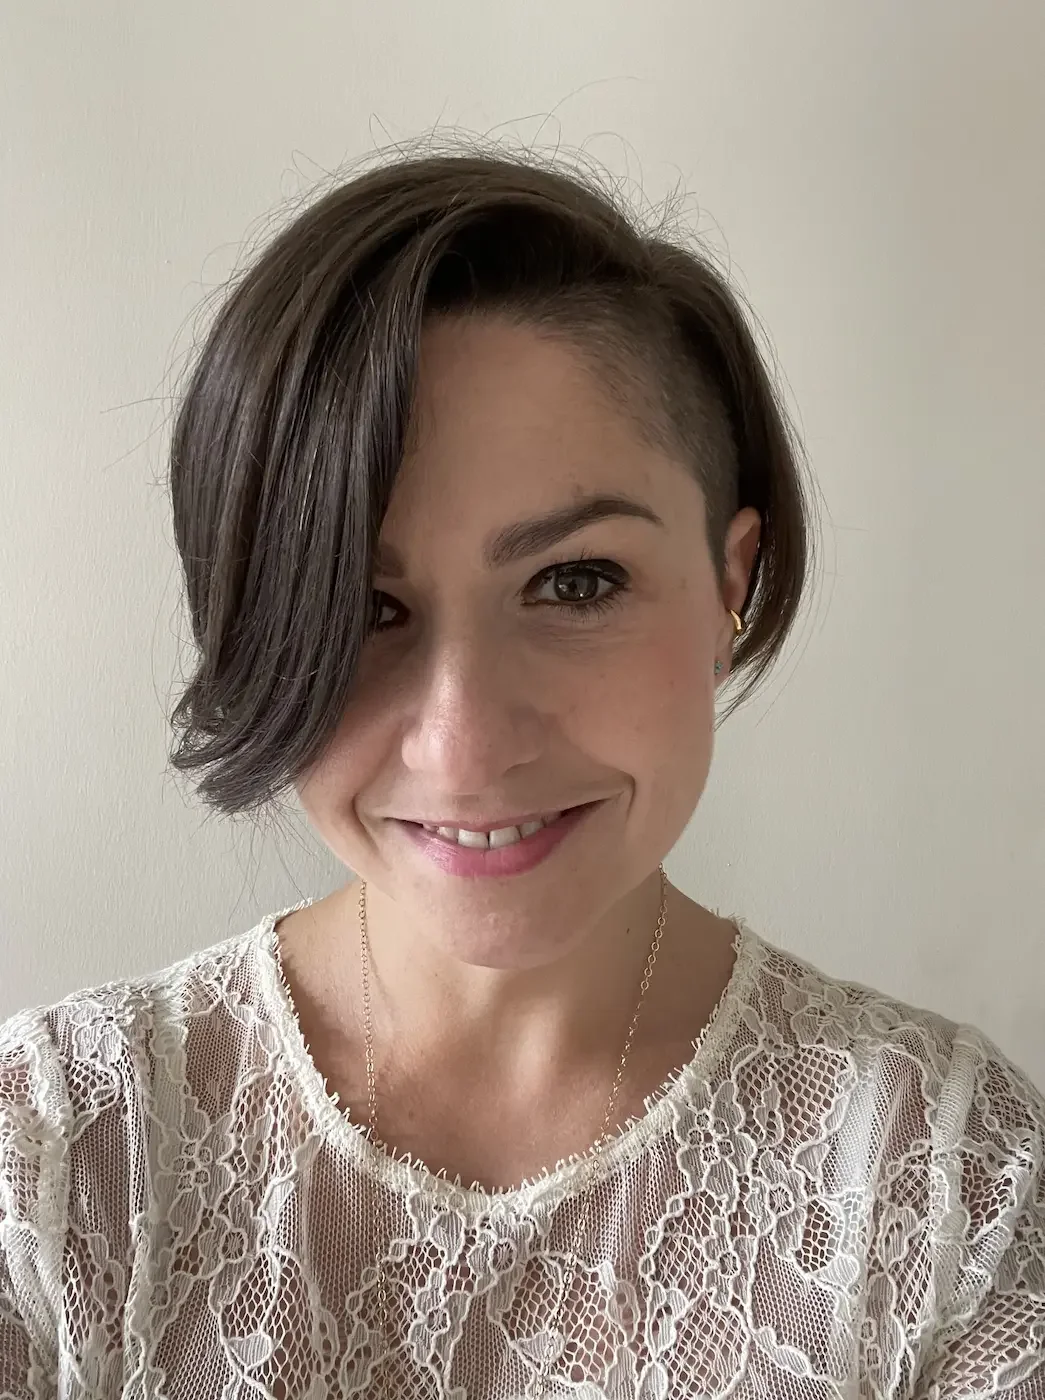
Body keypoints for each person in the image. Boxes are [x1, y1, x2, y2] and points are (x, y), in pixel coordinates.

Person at [1, 148, 1042, 1400]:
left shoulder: (940, 1184)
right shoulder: (55, 1159)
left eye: (575, 581)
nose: (463, 741)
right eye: (361, 604)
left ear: (731, 581)